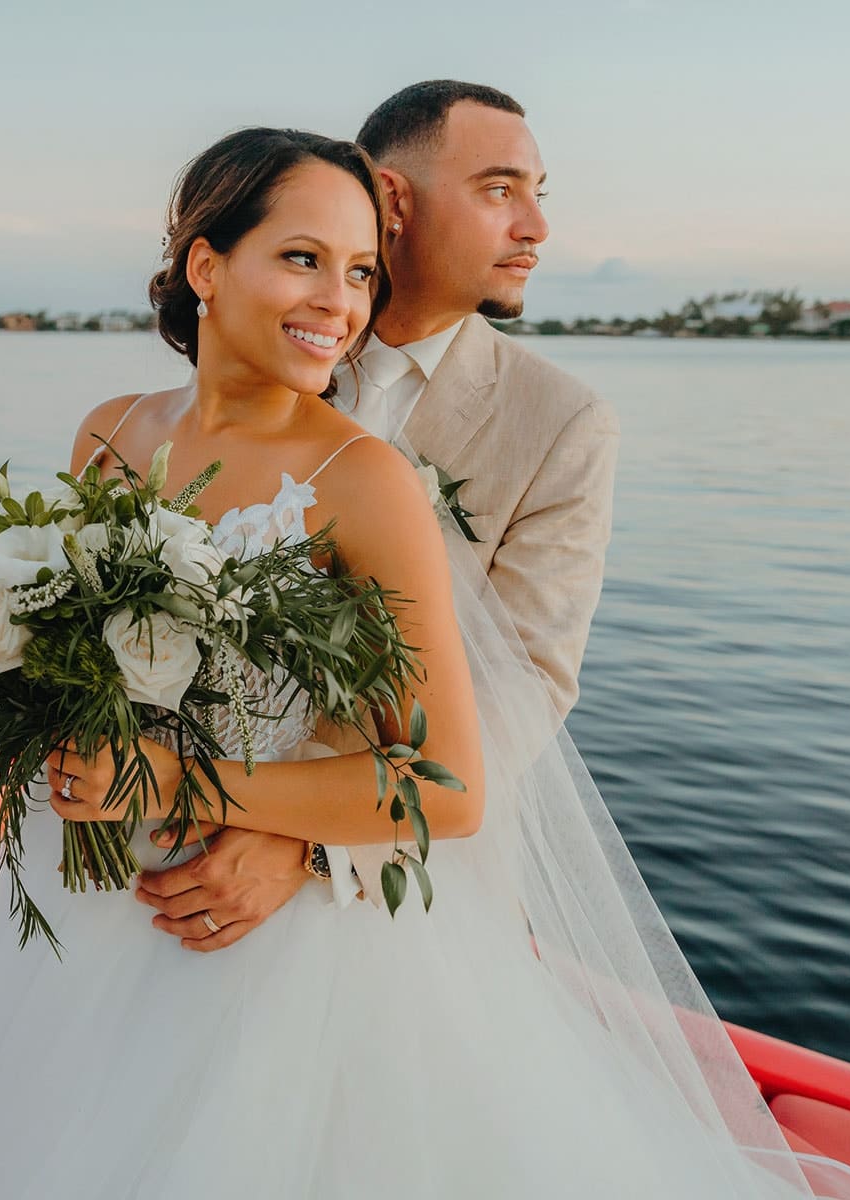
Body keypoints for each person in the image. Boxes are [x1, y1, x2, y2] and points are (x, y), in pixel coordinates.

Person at [0, 127, 850, 1199]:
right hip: (89, 904)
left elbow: (446, 785)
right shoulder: (112, 431)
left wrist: (193, 789)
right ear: (206, 265)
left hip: (298, 955)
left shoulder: (367, 480)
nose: (339, 301)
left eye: (360, 272)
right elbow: (87, 652)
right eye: (304, 259)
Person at [135, 80, 621, 943]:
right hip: (164, 850)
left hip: (391, 885)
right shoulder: (262, 346)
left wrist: (315, 842)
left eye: (538, 197)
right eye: (500, 190)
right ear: (393, 199)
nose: (535, 228)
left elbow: (527, 685)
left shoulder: (560, 423)